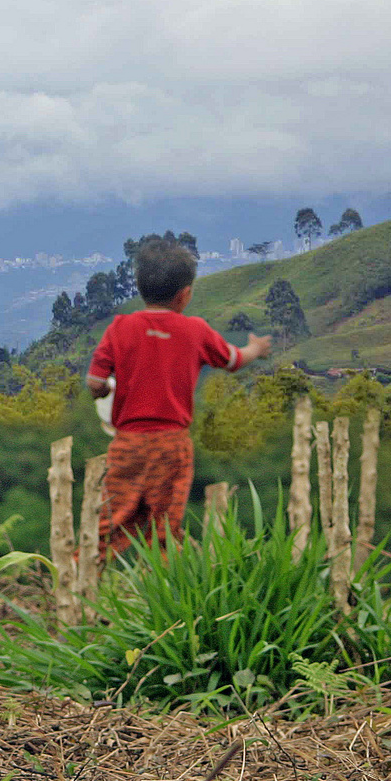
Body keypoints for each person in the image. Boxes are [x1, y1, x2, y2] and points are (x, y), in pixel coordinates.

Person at [84, 239, 272, 567]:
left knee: (106, 530)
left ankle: (77, 588)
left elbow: (95, 384)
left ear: (140, 288)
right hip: (172, 445)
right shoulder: (195, 331)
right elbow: (233, 359)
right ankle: (164, 606)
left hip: (127, 444)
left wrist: (106, 393)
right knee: (165, 533)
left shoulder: (120, 328)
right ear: (185, 294)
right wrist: (255, 348)